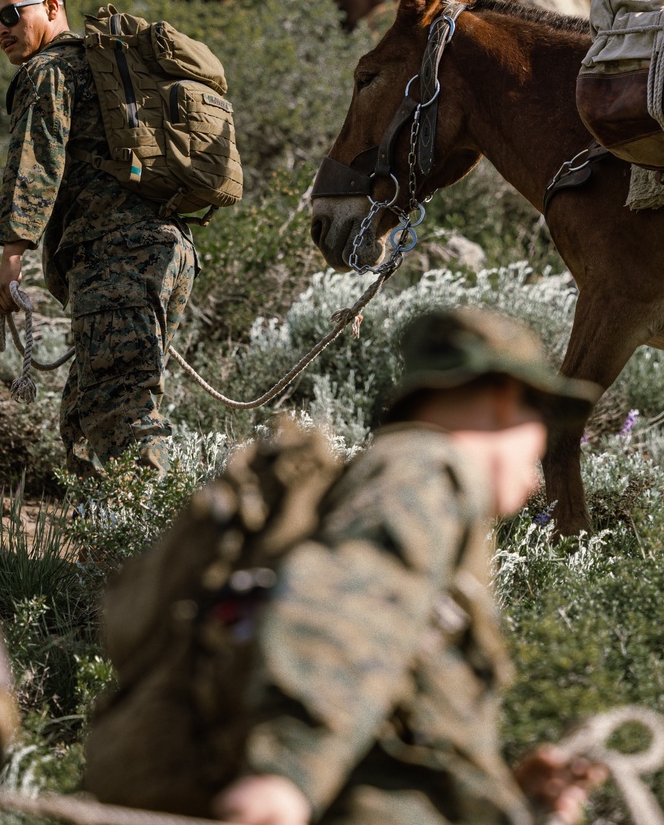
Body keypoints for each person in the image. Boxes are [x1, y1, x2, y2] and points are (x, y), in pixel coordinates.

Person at [212, 307, 609, 825]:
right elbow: (350, 601)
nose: (538, 476)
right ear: (505, 398)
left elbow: (404, 715)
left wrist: (509, 801)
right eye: (544, 425)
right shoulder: (425, 469)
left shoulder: (409, 476)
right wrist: (287, 776)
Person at [0, 0, 197, 473]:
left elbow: (35, 163)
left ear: (52, 8)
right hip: (166, 254)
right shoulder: (102, 69)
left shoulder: (48, 71)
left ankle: (148, 539)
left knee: (122, 416)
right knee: (84, 417)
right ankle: (99, 544)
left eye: (12, 15)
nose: (2, 31)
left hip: (117, 260)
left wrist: (12, 259)